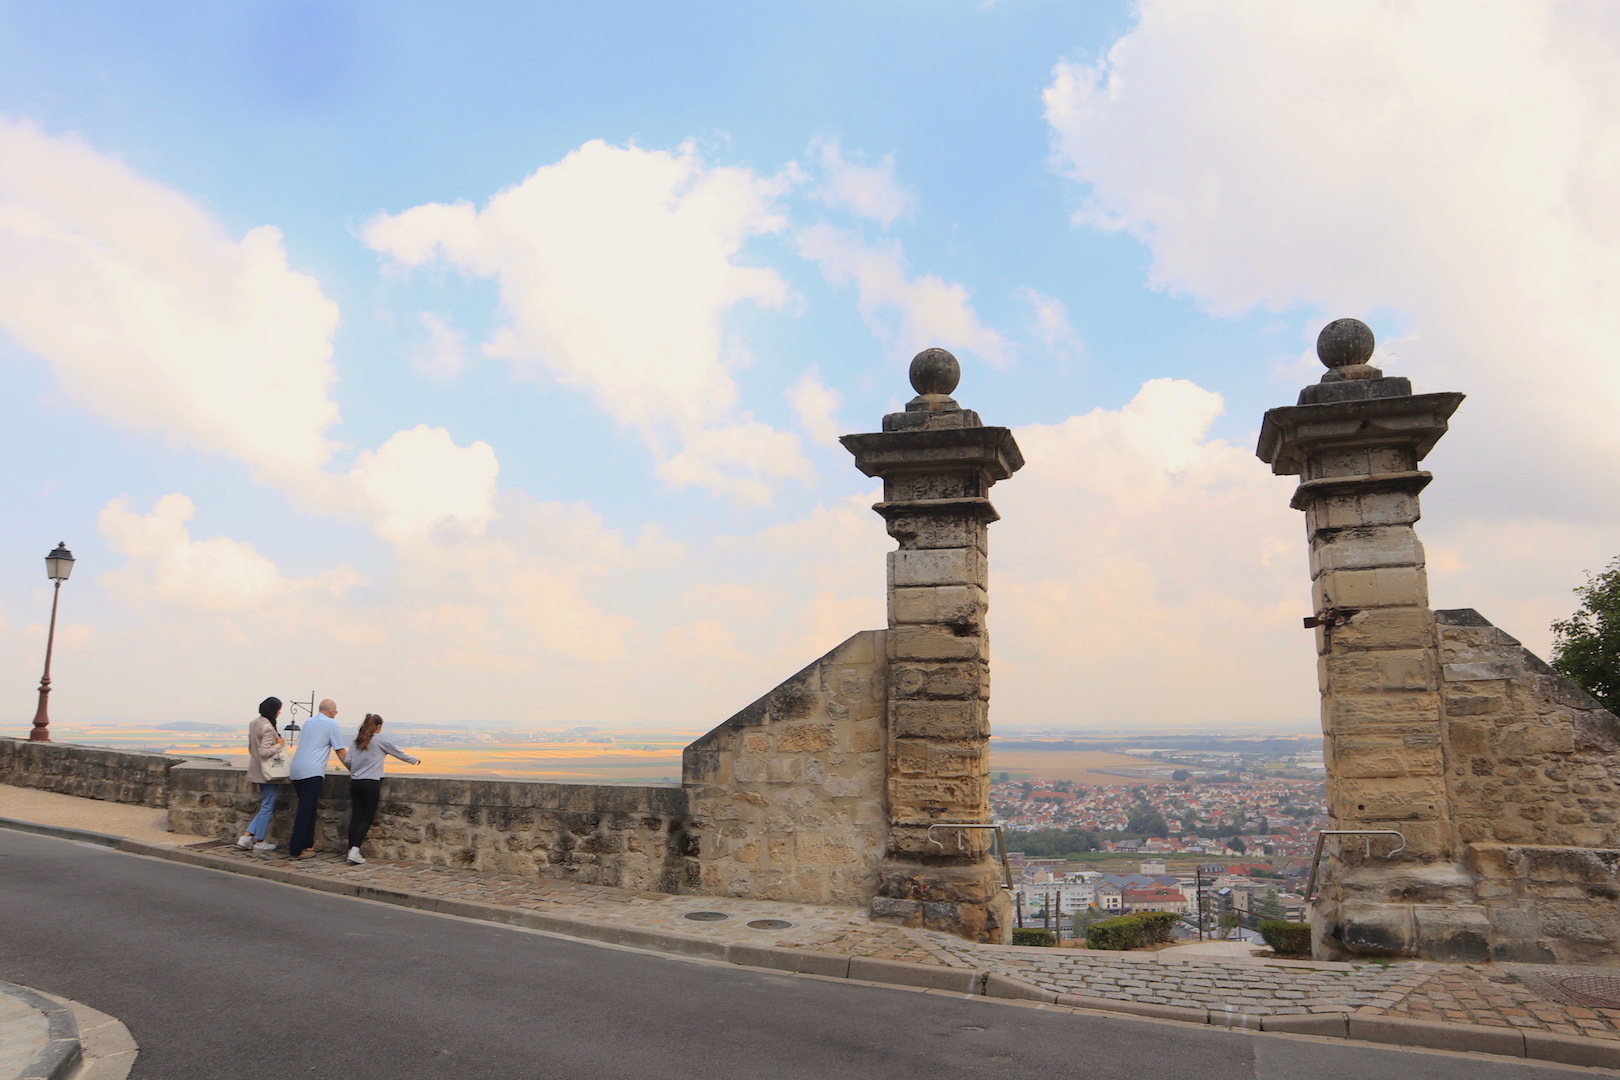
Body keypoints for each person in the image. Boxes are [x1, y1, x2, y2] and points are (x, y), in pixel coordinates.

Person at [344, 713, 421, 866]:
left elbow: (347, 761)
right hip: (371, 783)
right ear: (378, 727)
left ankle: (350, 850)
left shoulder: (356, 742)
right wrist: (414, 760)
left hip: (355, 782)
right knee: (366, 818)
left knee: (356, 816)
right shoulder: (379, 740)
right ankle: (354, 851)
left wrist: (357, 770)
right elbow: (397, 752)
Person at [287, 698, 348, 859]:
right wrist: (353, 768)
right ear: (332, 712)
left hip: (296, 770)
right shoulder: (332, 724)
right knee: (305, 811)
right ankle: (296, 848)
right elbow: (340, 750)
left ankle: (308, 844)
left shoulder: (308, 723)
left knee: (309, 809)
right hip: (312, 772)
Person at [237, 697, 288, 852]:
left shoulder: (254, 723)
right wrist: (279, 745)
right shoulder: (267, 727)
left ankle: (246, 837)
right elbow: (264, 751)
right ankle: (259, 841)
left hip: (257, 770)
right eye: (279, 709)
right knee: (267, 806)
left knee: (267, 805)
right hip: (268, 772)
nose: (280, 712)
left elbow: (252, 748)